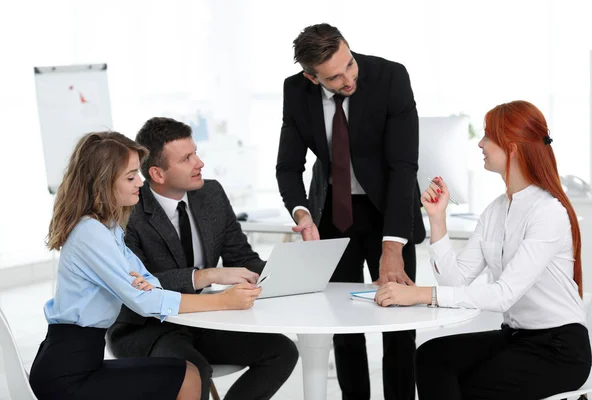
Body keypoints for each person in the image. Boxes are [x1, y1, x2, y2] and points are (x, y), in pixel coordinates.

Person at [375, 100, 592, 399]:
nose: (480, 143)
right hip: (516, 337)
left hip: (559, 349)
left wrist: (419, 294)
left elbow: (504, 294)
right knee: (431, 356)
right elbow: (456, 283)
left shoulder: (548, 212)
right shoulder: (495, 210)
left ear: (512, 147)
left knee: (470, 386)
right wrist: (438, 219)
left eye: (488, 136)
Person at [29, 132, 262, 400]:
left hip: (80, 360)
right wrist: (223, 301)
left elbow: (148, 281)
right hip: (68, 373)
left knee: (188, 372)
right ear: (103, 184)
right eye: (130, 177)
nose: (140, 182)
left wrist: (146, 288)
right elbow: (144, 300)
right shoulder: (90, 232)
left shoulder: (110, 229)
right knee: (187, 377)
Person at [275, 23, 425, 400]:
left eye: (349, 65)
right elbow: (288, 167)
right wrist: (302, 214)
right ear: (311, 77)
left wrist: (393, 246)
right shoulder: (295, 91)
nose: (347, 78)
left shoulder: (391, 77)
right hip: (333, 213)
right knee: (342, 321)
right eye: (333, 76)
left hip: (390, 212)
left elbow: (403, 166)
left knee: (398, 322)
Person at [107, 117, 299, 400]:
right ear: (158, 174)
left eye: (195, 152)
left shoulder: (211, 194)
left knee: (282, 351)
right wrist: (206, 275)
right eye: (187, 158)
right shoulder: (130, 209)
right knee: (194, 371)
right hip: (148, 327)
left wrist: (286, 272)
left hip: (204, 317)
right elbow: (139, 284)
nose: (200, 163)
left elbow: (241, 257)